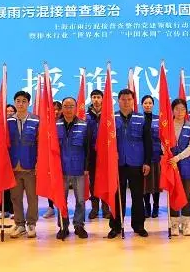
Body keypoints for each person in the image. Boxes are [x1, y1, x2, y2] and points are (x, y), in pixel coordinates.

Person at [108, 89, 152, 238]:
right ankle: (116, 226)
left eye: (129, 99)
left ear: (133, 101)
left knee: (137, 196)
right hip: (117, 164)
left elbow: (148, 141)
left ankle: (139, 226)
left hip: (137, 163)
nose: (126, 102)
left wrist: (147, 162)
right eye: (123, 99)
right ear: (118, 101)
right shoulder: (111, 118)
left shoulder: (141, 118)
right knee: (117, 196)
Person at [56, 97, 90, 239]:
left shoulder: (84, 125)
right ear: (62, 108)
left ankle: (79, 225)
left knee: (80, 200)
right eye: (66, 106)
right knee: (61, 200)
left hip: (79, 168)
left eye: (71, 106)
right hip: (61, 169)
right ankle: (63, 226)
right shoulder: (55, 125)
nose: (68, 109)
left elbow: (88, 148)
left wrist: (86, 166)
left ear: (76, 108)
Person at [7, 91, 40, 239]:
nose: (21, 104)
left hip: (31, 165)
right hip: (13, 166)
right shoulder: (7, 121)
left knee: (32, 197)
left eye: (24, 101)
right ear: (15, 102)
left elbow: (40, 144)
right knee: (15, 197)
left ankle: (31, 223)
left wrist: (39, 161)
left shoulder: (36, 120)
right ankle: (19, 224)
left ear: (28, 103)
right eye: (18, 101)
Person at [167, 98, 190, 236]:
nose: (180, 112)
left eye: (183, 109)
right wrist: (169, 156)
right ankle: (174, 223)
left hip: (186, 164)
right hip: (171, 165)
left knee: (186, 194)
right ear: (172, 110)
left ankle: (186, 223)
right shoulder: (167, 126)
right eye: (177, 109)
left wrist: (178, 158)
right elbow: (163, 143)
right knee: (173, 193)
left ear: (186, 111)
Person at [86, 89, 111, 220]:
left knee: (105, 181)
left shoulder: (108, 115)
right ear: (91, 99)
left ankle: (106, 209)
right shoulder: (85, 116)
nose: (96, 100)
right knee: (93, 182)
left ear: (102, 99)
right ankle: (94, 208)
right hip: (91, 154)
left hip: (105, 154)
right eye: (94, 97)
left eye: (98, 97)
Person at [43, 101, 63, 219]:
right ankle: (51, 207)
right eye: (53, 109)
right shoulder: (46, 124)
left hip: (63, 158)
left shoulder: (64, 122)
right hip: (50, 158)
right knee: (50, 184)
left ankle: (62, 206)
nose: (56, 112)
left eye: (58, 109)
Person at [0, 103, 17, 219]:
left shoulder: (17, 125)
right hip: (2, 158)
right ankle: (3, 208)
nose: (9, 113)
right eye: (7, 111)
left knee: (13, 186)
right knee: (3, 185)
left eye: (11, 111)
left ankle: (14, 209)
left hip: (14, 159)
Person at [142, 95, 161, 218]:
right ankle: (147, 206)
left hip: (156, 155)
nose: (148, 105)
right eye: (145, 103)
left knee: (156, 183)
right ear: (142, 105)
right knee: (145, 184)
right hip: (142, 156)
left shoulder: (159, 119)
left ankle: (156, 206)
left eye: (150, 103)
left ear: (153, 105)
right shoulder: (139, 119)